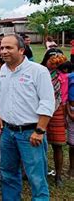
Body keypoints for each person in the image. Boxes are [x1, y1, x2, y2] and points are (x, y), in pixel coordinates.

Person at [0, 34, 55, 200]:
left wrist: (40, 130)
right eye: (2, 47)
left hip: (30, 133)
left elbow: (47, 102)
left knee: (36, 178)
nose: (4, 51)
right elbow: (2, 95)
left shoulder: (38, 71)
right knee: (8, 174)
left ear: (21, 50)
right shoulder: (3, 70)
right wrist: (0, 114)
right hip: (8, 132)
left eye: (9, 47)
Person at [40, 48, 68, 186]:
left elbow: (64, 96)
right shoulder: (38, 72)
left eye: (57, 63)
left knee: (57, 144)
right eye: (52, 62)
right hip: (39, 110)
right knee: (38, 143)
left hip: (57, 109)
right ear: (46, 60)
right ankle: (39, 171)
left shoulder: (62, 76)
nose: (54, 65)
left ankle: (58, 175)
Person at [68, 68, 74, 177]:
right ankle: (72, 167)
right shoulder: (70, 77)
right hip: (72, 110)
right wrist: (69, 113)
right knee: (72, 144)